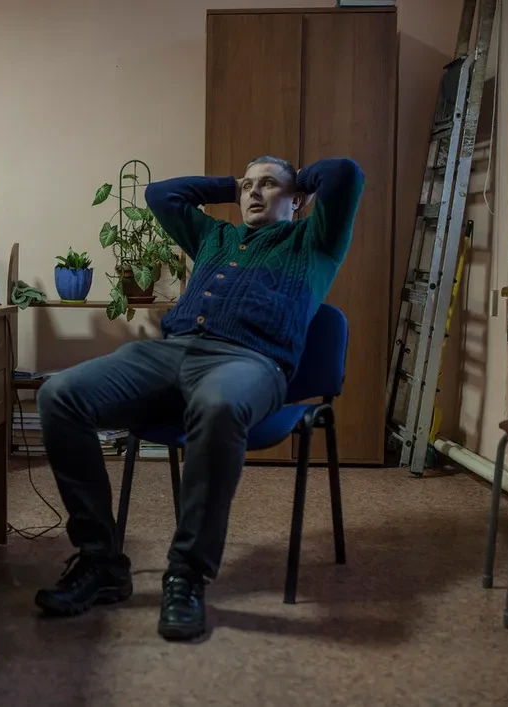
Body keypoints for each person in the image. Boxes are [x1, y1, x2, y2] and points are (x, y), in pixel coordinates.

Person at [33, 155, 365, 640]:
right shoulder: (215, 238)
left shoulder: (315, 243)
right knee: (60, 394)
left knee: (219, 405)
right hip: (171, 353)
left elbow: (345, 174)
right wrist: (234, 184)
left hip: (251, 362)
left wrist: (300, 183)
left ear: (298, 199)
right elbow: (160, 195)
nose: (253, 192)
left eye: (267, 184)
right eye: (247, 185)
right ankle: (100, 562)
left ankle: (187, 574)